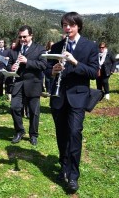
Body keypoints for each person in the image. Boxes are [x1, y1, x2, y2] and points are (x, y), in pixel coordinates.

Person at [46, 12, 99, 192]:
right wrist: (53, 70)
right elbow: (47, 70)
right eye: (65, 25)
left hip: (77, 97)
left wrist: (74, 61)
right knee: (61, 134)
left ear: (78, 26)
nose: (67, 28)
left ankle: (73, 175)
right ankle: (63, 166)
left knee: (74, 133)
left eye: (71, 25)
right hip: (59, 97)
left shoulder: (90, 46)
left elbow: (93, 72)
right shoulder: (57, 46)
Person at [7, 25, 47, 146]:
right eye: (20, 37)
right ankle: (19, 131)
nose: (22, 39)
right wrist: (11, 67)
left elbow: (43, 65)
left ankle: (33, 134)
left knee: (34, 111)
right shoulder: (15, 50)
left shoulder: (39, 49)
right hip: (18, 83)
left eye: (25, 36)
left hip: (33, 84)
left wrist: (27, 62)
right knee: (14, 107)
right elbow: (8, 64)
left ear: (31, 36)